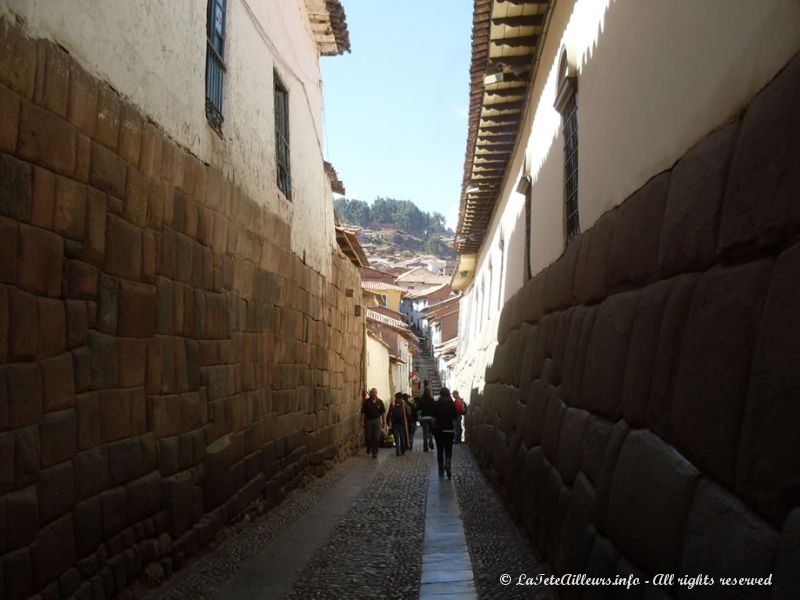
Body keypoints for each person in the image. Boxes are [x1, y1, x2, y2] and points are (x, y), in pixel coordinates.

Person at [432, 387, 458, 479]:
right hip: (449, 430)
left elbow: (433, 416)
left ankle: (440, 469)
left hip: (439, 430)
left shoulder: (437, 403)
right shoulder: (451, 403)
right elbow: (455, 416)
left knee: (439, 449)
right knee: (448, 449)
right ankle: (447, 464)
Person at [360, 388, 385, 458]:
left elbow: (382, 413)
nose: (374, 394)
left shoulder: (380, 402)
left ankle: (375, 452)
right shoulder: (366, 402)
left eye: (375, 392)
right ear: (370, 393)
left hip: (377, 421)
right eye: (373, 392)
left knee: (376, 437)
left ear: (376, 393)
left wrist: (384, 421)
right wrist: (362, 422)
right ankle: (369, 447)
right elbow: (363, 413)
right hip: (368, 421)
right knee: (368, 436)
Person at [418, 387, 436, 452]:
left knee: (425, 434)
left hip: (424, 418)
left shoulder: (421, 400)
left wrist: (419, 417)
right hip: (431, 418)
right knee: (430, 432)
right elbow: (435, 408)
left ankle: (425, 448)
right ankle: (431, 442)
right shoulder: (432, 399)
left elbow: (418, 409)